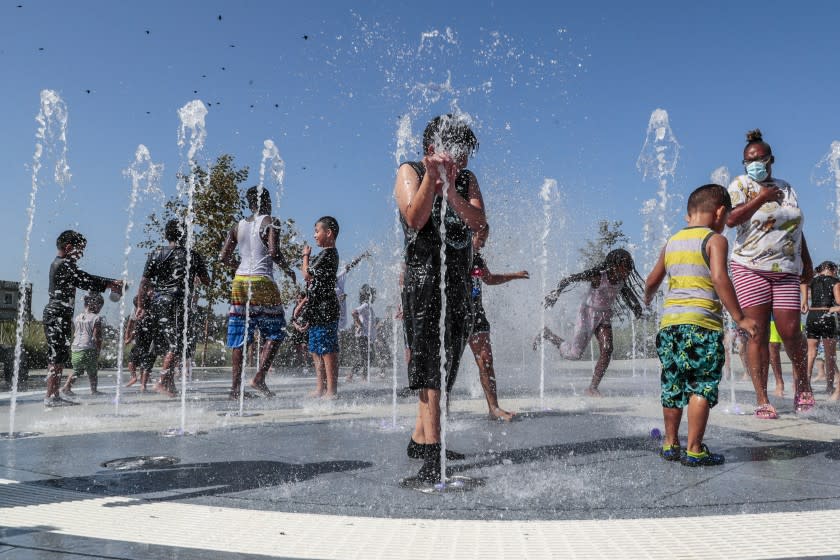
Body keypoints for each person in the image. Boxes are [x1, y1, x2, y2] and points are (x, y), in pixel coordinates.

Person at [395, 114, 487, 484]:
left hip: (458, 281)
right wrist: (433, 182)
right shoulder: (410, 171)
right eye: (457, 148)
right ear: (434, 148)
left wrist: (451, 190)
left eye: (467, 150)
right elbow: (414, 220)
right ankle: (433, 458)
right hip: (424, 281)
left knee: (447, 366)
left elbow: (479, 222)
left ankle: (421, 438)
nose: (464, 157)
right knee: (430, 365)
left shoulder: (466, 180)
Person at [645, 184, 758, 466]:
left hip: (670, 325)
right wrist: (740, 317)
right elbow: (720, 279)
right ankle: (694, 448)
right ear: (720, 213)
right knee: (701, 385)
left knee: (672, 384)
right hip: (701, 325)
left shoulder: (671, 242)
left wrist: (647, 298)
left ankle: (670, 443)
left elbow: (651, 281)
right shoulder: (714, 240)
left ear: (688, 215)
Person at [726, 129, 813, 417]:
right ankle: (762, 398)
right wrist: (761, 198)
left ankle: (803, 385)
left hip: (786, 267)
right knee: (757, 333)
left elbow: (795, 227)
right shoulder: (739, 185)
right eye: (748, 160)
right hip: (750, 266)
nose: (754, 164)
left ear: (770, 158)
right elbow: (731, 219)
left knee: (791, 331)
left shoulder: (787, 188)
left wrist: (807, 261)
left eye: (758, 158)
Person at [220, 187, 296, 399]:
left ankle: (235, 389)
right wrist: (288, 270)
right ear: (267, 201)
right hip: (262, 280)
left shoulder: (238, 225)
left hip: (240, 281)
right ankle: (259, 377)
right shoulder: (271, 221)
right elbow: (273, 251)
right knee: (276, 330)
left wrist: (241, 266)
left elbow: (223, 257)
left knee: (239, 334)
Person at [539, 248, 643, 396]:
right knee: (574, 355)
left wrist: (636, 307)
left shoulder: (621, 280)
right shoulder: (598, 276)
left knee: (607, 349)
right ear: (615, 264)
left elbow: (627, 294)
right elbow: (568, 279)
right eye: (625, 266)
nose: (628, 270)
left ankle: (592, 387)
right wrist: (555, 294)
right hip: (587, 315)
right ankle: (548, 335)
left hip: (604, 316)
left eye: (629, 267)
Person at [42, 230, 123, 407]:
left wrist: (109, 283)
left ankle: (55, 394)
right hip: (56, 313)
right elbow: (84, 280)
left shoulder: (65, 264)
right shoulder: (62, 264)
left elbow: (83, 278)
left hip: (61, 313)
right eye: (80, 250)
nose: (81, 254)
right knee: (56, 356)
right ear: (69, 247)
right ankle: (50, 396)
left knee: (60, 355)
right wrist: (110, 283)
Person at [137, 219, 209, 397]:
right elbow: (206, 280)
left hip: (158, 302)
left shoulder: (156, 253)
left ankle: (170, 385)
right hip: (178, 301)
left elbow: (144, 282)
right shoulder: (192, 255)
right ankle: (162, 380)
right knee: (177, 342)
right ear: (185, 235)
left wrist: (141, 305)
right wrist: (197, 278)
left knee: (171, 342)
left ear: (166, 235)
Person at [466, 225, 528, 421]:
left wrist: (514, 275)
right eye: (480, 239)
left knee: (486, 360)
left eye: (485, 240)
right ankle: (438, 411)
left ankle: (494, 408)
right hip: (452, 316)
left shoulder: (477, 259)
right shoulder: (448, 256)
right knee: (447, 365)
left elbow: (489, 279)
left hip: (476, 314)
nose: (483, 244)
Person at [302, 216, 341, 398]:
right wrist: (302, 304)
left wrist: (305, 257)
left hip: (326, 307)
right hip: (317, 307)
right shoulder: (323, 254)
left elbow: (307, 275)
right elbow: (313, 285)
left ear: (329, 233)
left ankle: (331, 389)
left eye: (317, 231)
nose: (314, 235)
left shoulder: (329, 253)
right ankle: (320, 387)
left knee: (327, 349)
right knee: (316, 348)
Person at [802, 261, 840, 395]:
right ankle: (829, 386)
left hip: (812, 315)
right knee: (830, 355)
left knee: (811, 353)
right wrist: (836, 308)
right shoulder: (835, 281)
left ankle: (806, 385)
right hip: (827, 315)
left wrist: (805, 302)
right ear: (833, 269)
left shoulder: (813, 280)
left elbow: (803, 283)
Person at [62, 292, 106, 396]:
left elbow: (75, 332)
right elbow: (97, 337)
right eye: (100, 306)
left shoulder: (77, 317)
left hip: (75, 348)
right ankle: (94, 390)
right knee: (92, 370)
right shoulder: (96, 318)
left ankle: (67, 386)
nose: (100, 308)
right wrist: (98, 350)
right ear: (95, 305)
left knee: (77, 370)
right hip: (88, 348)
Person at [125, 292, 157, 392]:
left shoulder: (148, 314)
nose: (138, 312)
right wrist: (130, 338)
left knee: (142, 364)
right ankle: (138, 381)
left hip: (146, 343)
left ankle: (140, 382)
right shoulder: (143, 315)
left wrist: (130, 338)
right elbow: (135, 328)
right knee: (136, 362)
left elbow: (136, 329)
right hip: (142, 343)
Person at [336, 251, 370, 331]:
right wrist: (338, 300)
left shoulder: (337, 280)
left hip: (342, 322)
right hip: (332, 321)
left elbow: (348, 267)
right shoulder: (324, 286)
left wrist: (361, 257)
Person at [349, 284, 377, 382]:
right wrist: (359, 324)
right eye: (373, 294)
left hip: (366, 336)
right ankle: (353, 375)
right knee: (365, 357)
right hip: (363, 336)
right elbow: (353, 312)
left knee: (369, 357)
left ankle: (361, 376)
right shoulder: (365, 305)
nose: (375, 297)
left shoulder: (368, 306)